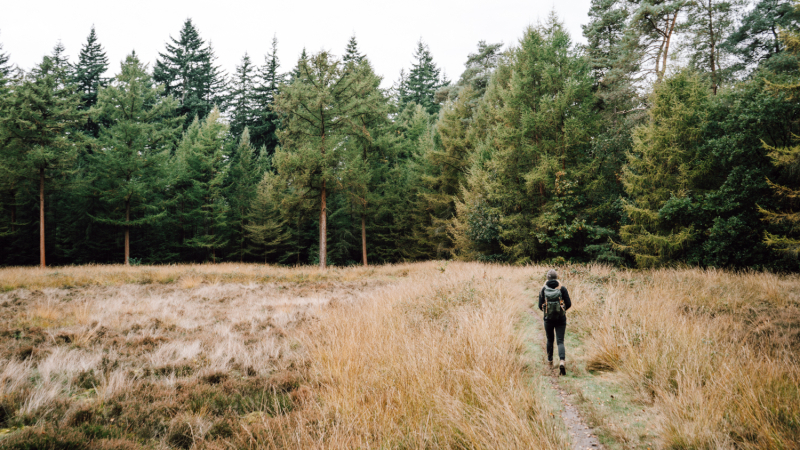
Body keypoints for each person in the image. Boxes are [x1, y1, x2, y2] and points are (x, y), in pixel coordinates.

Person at [538, 269, 571, 375]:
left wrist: (547, 311)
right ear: (556, 277)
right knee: (560, 341)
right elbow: (569, 304)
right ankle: (562, 361)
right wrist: (562, 310)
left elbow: (540, 306)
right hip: (561, 318)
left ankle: (550, 363)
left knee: (549, 340)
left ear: (547, 278)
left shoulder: (543, 289)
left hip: (548, 319)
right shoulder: (562, 288)